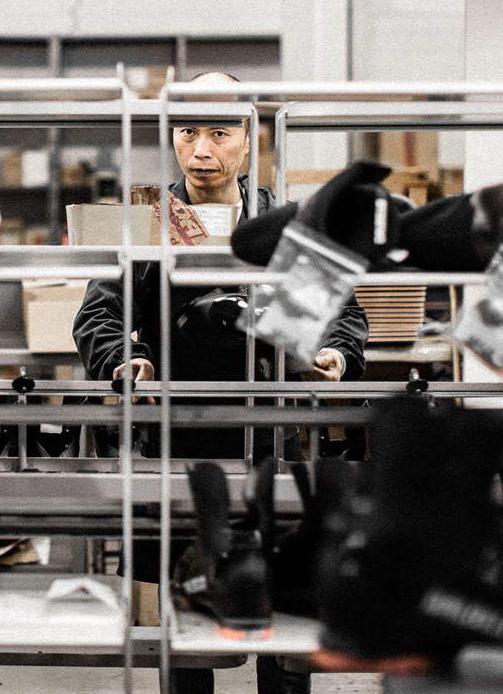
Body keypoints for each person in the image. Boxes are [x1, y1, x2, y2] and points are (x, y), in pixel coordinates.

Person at [71, 72, 369, 694]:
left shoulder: (285, 226)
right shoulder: (150, 220)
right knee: (184, 633)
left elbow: (342, 311)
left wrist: (335, 354)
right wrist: (126, 361)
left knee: (282, 620)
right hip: (177, 442)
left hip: (273, 442)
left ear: (249, 136)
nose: (201, 150)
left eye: (219, 133)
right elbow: (98, 313)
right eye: (187, 133)